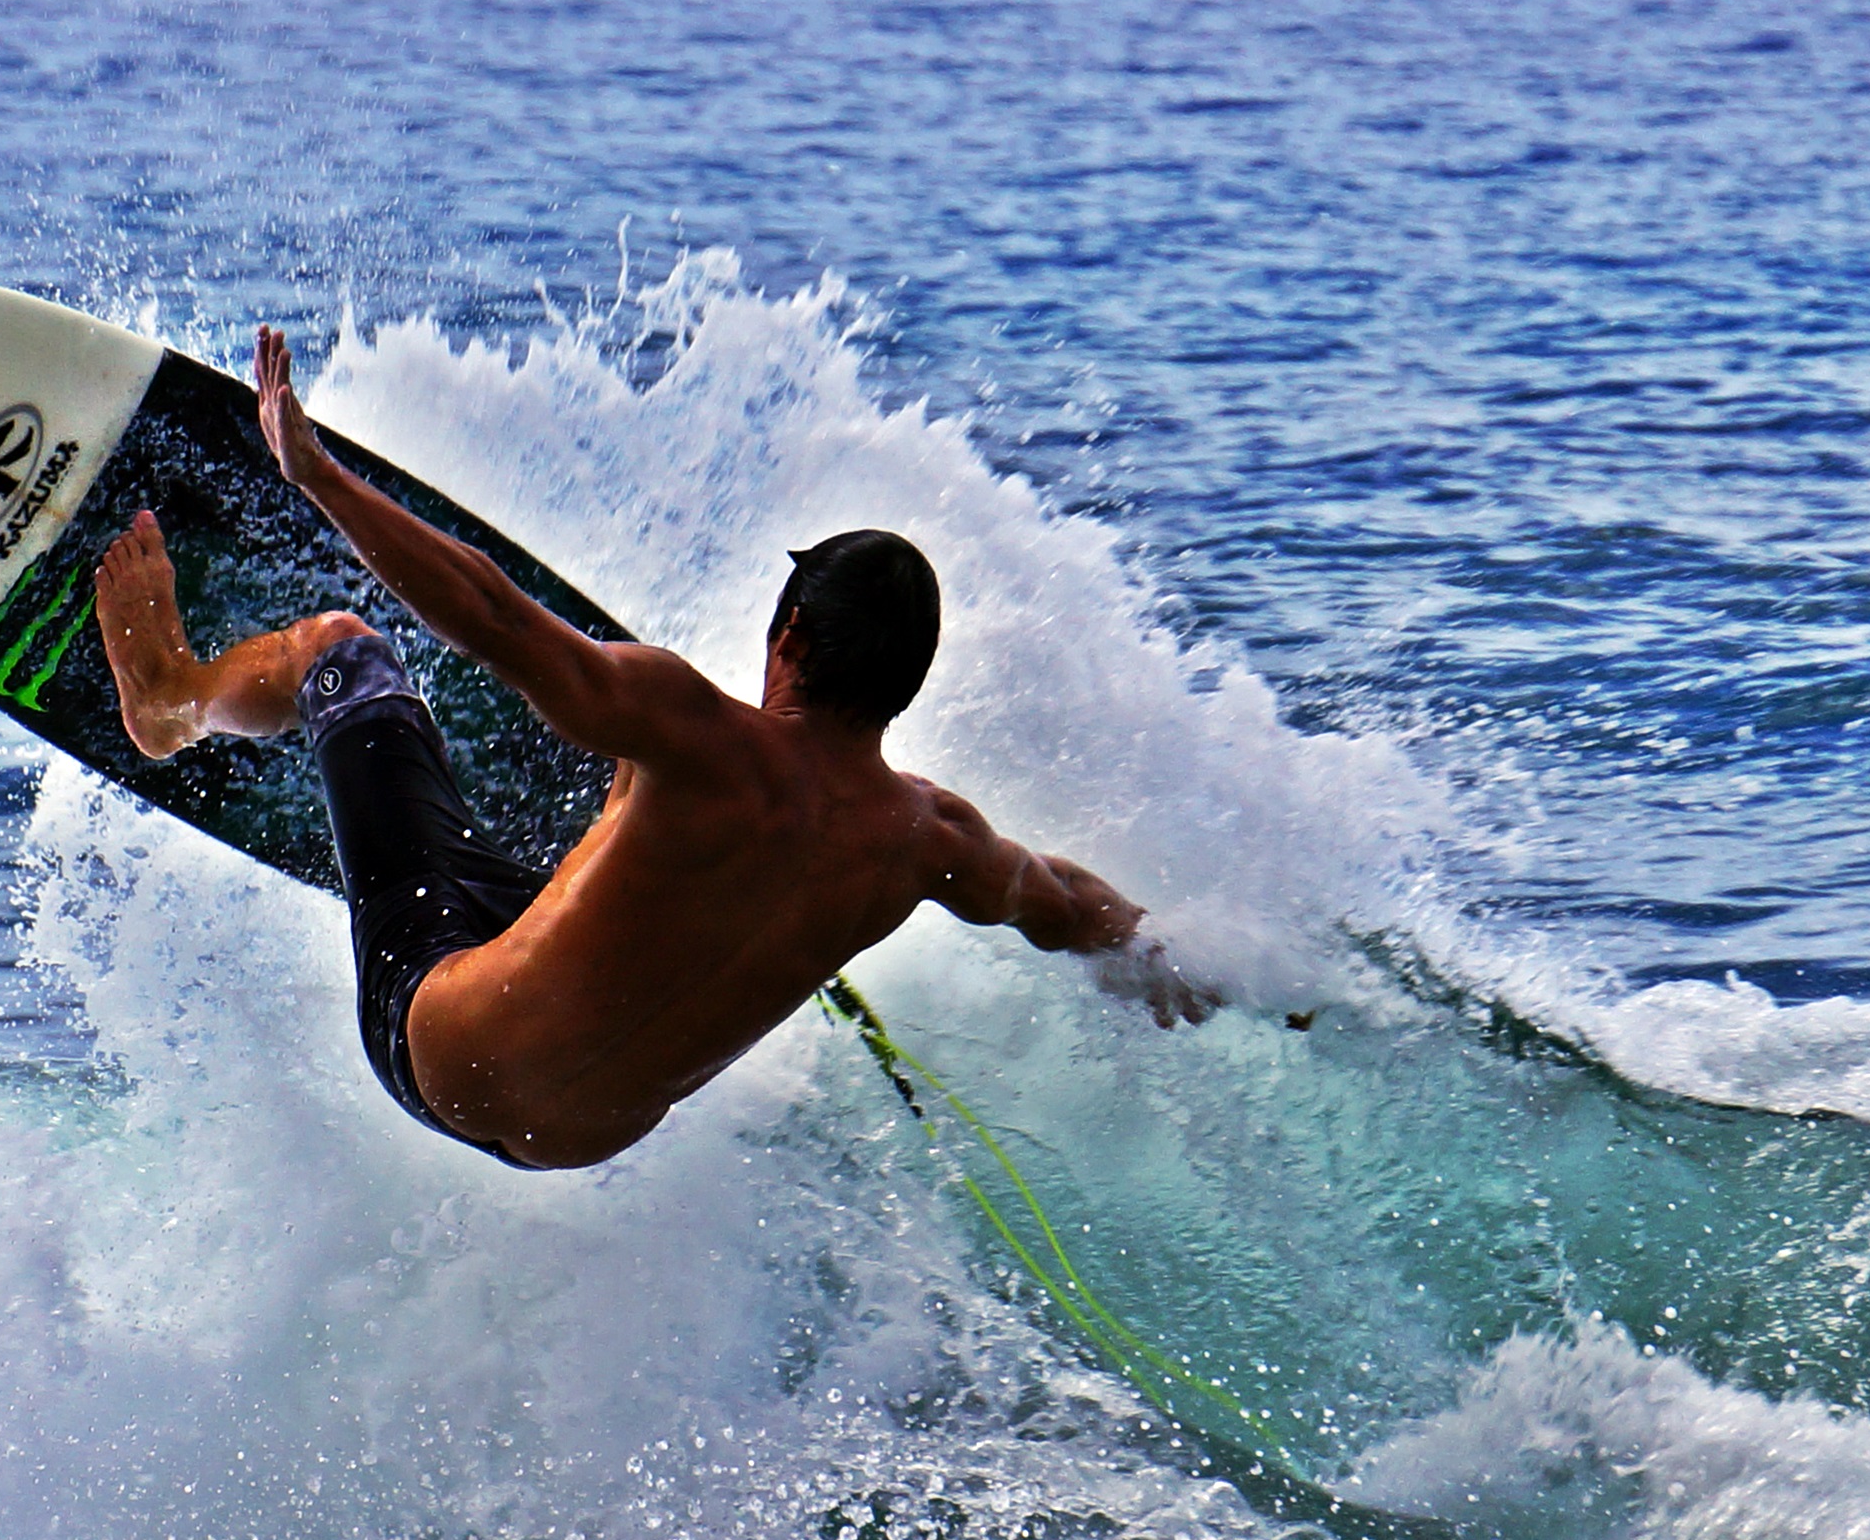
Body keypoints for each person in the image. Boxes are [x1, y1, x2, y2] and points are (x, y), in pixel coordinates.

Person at [88, 327, 1212, 1170]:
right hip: (577, 1140)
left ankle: (172, 703)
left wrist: (317, 477)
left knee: (343, 653)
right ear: (906, 687)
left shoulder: (690, 728)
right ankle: (554, 861)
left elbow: (485, 615)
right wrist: (1182, 961)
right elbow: (1060, 903)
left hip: (435, 1045)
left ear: (789, 635)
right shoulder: (930, 842)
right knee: (616, 834)